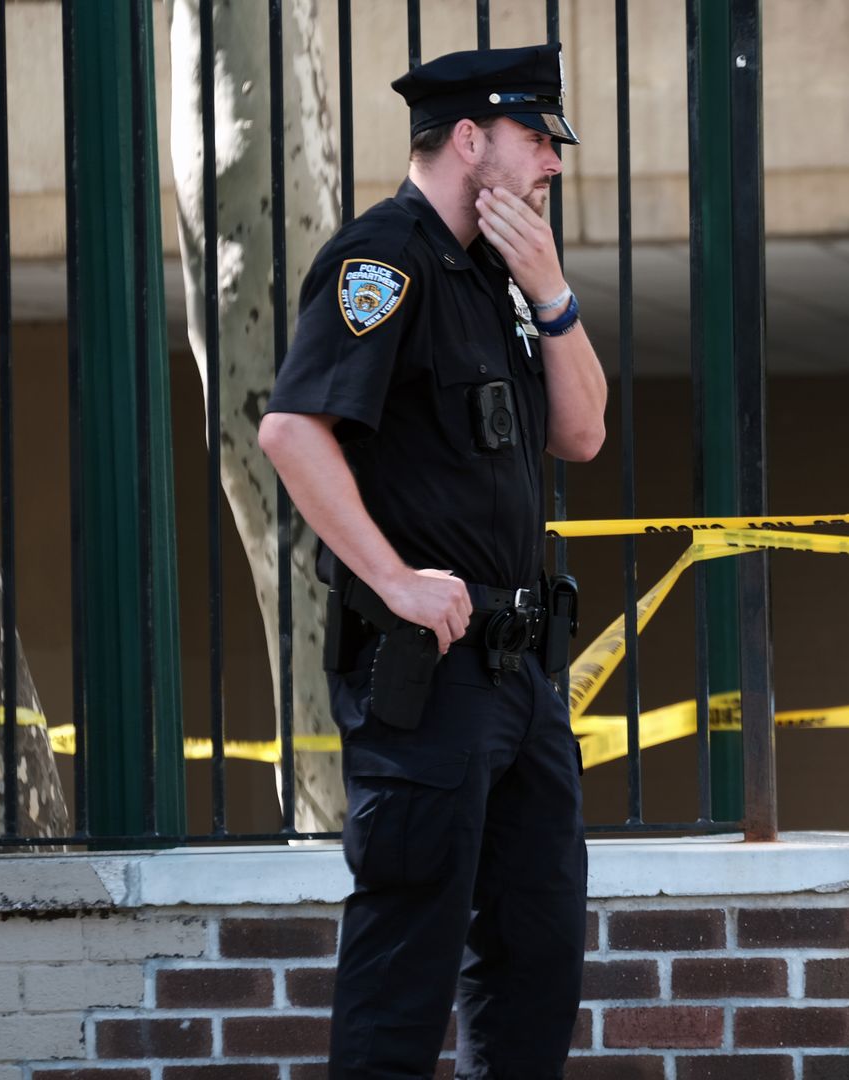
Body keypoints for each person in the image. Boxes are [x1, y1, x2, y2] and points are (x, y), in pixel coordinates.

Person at [258, 43, 606, 1078]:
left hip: (521, 676)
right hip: (429, 675)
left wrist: (552, 292)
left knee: (536, 951)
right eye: (536, 141)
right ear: (471, 139)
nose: (551, 164)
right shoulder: (384, 258)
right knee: (406, 960)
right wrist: (394, 582)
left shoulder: (501, 275)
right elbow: (291, 431)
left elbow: (582, 434)